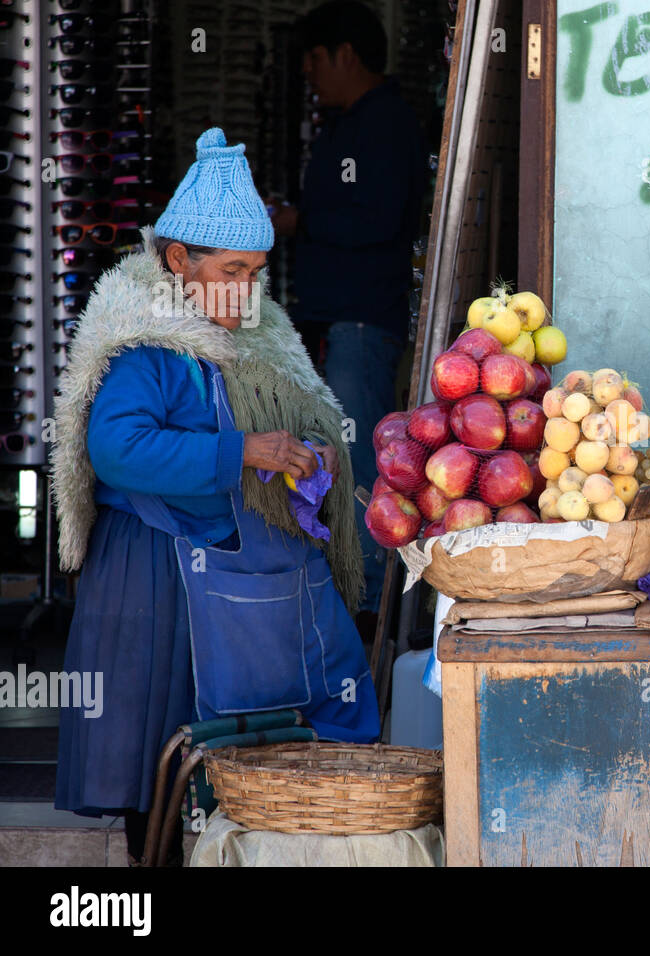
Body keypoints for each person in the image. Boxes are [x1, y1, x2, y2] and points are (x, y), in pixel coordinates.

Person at [52, 128, 380, 866]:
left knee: (219, 753)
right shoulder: (147, 348)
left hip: (227, 573)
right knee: (154, 758)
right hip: (155, 576)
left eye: (257, 270)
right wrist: (242, 452)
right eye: (232, 269)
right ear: (178, 261)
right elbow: (118, 450)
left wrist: (306, 454)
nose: (247, 288)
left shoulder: (251, 340)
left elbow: (286, 422)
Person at [271, 0, 429, 625]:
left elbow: (379, 218)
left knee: (360, 459)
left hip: (363, 323)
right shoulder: (345, 125)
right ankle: (348, 595)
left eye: (314, 58)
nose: (309, 73)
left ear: (346, 55)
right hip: (337, 323)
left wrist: (299, 220)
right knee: (334, 456)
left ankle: (366, 609)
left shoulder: (384, 124)